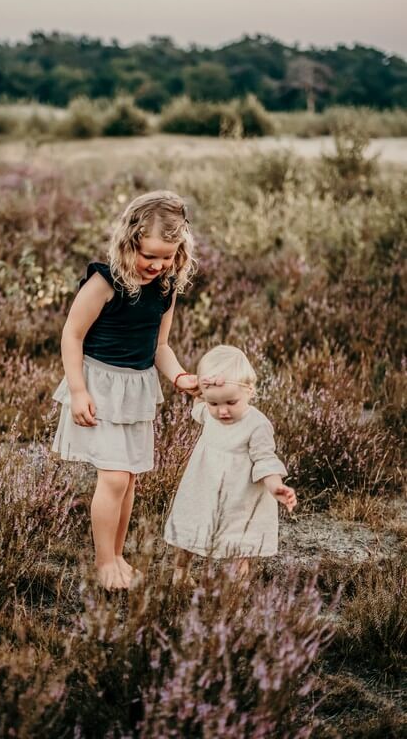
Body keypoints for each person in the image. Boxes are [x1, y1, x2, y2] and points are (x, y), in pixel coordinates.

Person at [52, 191, 198, 590]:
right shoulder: (105, 281)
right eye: (149, 254)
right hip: (99, 386)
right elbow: (72, 335)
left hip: (135, 390)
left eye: (167, 256)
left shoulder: (165, 290)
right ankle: (104, 564)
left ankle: (117, 555)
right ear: (129, 241)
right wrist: (78, 391)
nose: (157, 264)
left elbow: (160, 348)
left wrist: (181, 377)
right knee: (114, 478)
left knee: (129, 479)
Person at [164, 345, 297, 583]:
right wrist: (201, 392)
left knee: (238, 545)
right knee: (189, 532)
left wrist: (275, 486)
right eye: (214, 403)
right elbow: (199, 406)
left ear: (250, 392)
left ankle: (236, 590)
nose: (222, 411)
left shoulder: (257, 425)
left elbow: (265, 459)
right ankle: (181, 573)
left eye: (230, 402)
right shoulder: (207, 412)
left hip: (239, 497)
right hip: (203, 489)